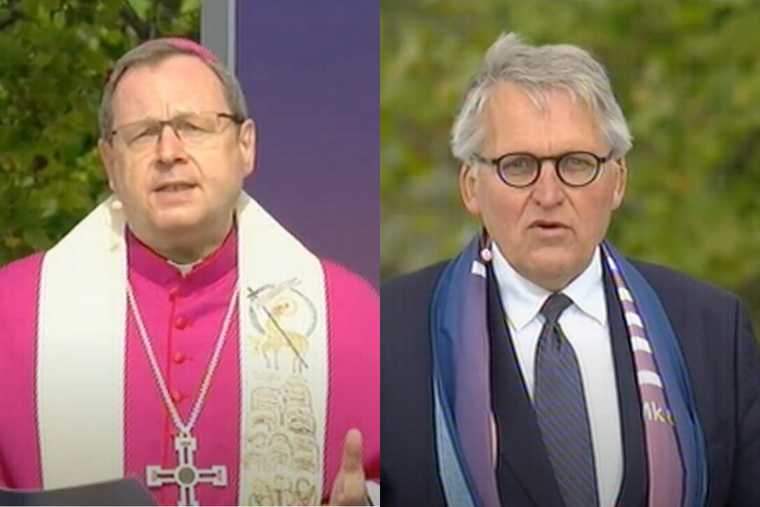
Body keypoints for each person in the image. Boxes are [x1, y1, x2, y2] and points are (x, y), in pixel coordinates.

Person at [381, 32, 760, 507]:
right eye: (518, 165)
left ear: (617, 181)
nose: (548, 194)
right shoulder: (387, 332)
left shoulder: (711, 330)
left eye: (576, 164)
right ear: (471, 187)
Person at [0, 38, 379, 506]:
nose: (169, 151)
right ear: (109, 163)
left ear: (245, 146)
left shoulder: (350, 316)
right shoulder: (16, 312)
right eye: (141, 133)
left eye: (193, 126)